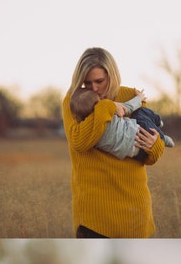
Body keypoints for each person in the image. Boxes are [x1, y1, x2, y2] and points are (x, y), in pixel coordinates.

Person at [63, 47, 166, 238]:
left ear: (112, 75)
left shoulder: (130, 96)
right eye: (87, 83)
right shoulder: (75, 102)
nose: (94, 88)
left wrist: (155, 145)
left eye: (99, 81)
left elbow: (149, 156)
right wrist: (106, 106)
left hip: (136, 212)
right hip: (94, 218)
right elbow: (79, 142)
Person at [69, 86, 174, 162]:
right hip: (140, 135)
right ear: (98, 104)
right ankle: (160, 130)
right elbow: (128, 107)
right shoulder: (106, 112)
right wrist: (139, 98)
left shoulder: (87, 134)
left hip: (135, 155)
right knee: (141, 112)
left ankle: (161, 134)